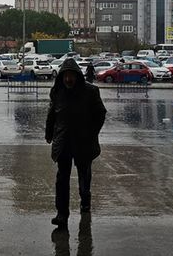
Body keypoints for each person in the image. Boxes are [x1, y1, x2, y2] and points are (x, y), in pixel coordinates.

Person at [45, 58, 106, 228]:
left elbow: (100, 114)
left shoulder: (91, 91)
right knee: (62, 179)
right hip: (63, 142)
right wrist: (49, 133)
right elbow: (52, 114)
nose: (68, 79)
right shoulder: (57, 91)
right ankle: (61, 214)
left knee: (84, 175)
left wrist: (92, 134)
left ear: (77, 76)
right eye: (65, 76)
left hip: (83, 142)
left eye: (71, 76)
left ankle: (85, 200)